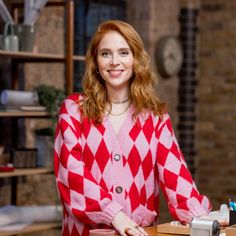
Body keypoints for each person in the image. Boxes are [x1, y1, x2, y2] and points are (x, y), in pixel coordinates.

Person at [54, 20, 212, 236]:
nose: (114, 61)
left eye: (123, 52)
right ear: (95, 61)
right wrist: (114, 216)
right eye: (106, 54)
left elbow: (176, 176)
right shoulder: (73, 111)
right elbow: (72, 177)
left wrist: (203, 220)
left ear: (136, 59)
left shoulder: (155, 117)